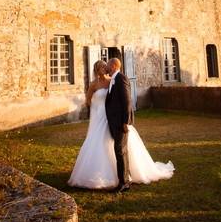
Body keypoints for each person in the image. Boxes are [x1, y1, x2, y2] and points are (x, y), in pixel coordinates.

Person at [67, 58, 174, 191]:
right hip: (101, 116)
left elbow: (126, 101)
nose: (105, 69)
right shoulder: (95, 84)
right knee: (109, 145)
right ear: (96, 70)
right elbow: (89, 100)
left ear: (112, 66)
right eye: (102, 67)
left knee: (120, 148)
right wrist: (97, 108)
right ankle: (117, 176)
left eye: (107, 66)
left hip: (115, 118)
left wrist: (125, 121)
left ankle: (125, 178)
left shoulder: (115, 79)